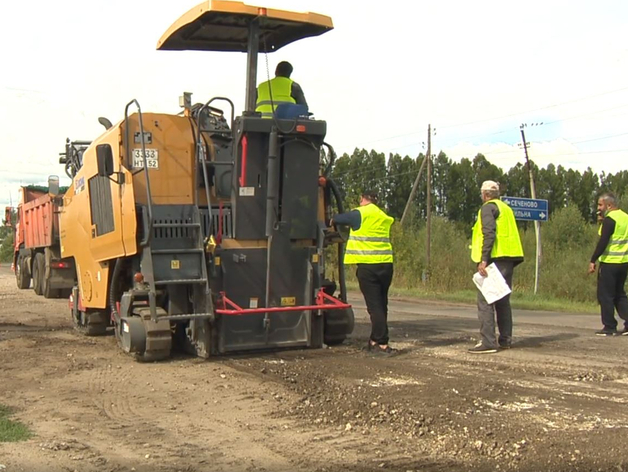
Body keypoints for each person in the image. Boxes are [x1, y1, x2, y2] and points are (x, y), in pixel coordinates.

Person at [331, 191, 395, 355]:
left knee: (374, 307)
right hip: (386, 265)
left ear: (362, 199)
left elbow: (339, 218)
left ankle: (382, 343)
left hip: (368, 267)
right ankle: (375, 339)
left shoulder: (360, 213)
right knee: (381, 304)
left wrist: (331, 219)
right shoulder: (382, 216)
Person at [469, 180, 524, 354]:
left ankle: (488, 342)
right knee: (502, 300)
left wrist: (484, 259)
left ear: (484, 194)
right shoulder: (506, 209)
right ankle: (505, 339)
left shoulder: (487, 208)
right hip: (509, 259)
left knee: (485, 300)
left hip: (495, 259)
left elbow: (489, 233)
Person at [588, 192, 628, 336]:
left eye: (600, 205)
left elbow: (603, 242)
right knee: (619, 294)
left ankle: (609, 326)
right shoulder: (625, 217)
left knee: (605, 295)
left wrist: (593, 260)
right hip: (623, 262)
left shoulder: (610, 220)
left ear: (609, 205)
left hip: (610, 262)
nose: (598, 208)